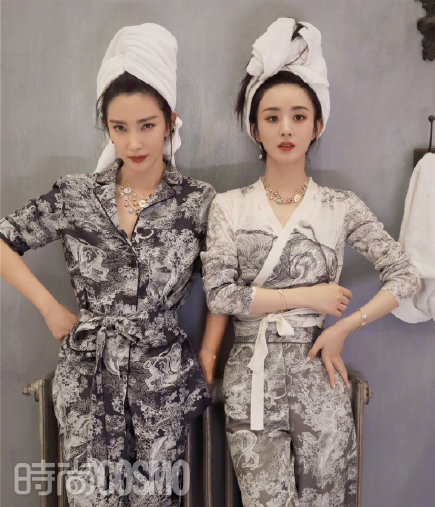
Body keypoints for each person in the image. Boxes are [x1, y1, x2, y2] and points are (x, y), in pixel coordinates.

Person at [0, 22, 227, 506]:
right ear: (106, 127)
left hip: (162, 384)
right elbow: (4, 240)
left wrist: (208, 356)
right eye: (119, 128)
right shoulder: (77, 195)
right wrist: (49, 308)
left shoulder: (197, 202)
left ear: (170, 121)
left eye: (147, 125)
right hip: (87, 380)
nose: (134, 142)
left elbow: (225, 284)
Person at [199, 18, 421, 506]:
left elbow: (405, 275)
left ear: (317, 126)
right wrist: (307, 296)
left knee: (326, 498)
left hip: (318, 372)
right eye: (272, 116)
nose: (286, 128)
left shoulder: (340, 207)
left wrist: (344, 327)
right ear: (254, 128)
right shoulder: (228, 207)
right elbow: (220, 295)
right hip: (250, 377)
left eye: (299, 116)